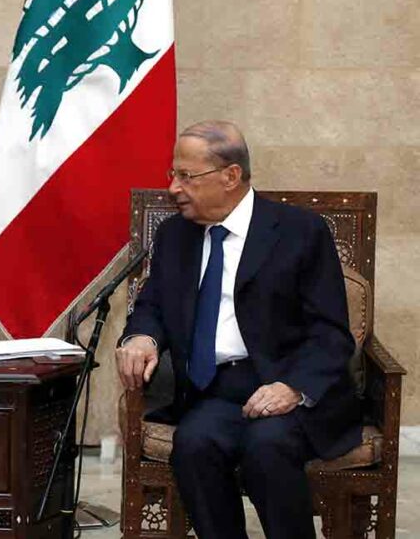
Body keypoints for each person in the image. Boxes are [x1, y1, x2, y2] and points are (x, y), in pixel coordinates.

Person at [116, 120, 361, 539]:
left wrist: (293, 387)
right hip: (216, 390)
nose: (174, 188)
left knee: (267, 448)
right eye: (173, 174)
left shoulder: (300, 232)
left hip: (288, 387)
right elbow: (152, 305)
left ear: (231, 176)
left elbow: (332, 333)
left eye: (187, 176)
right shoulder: (175, 235)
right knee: (193, 445)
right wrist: (142, 337)